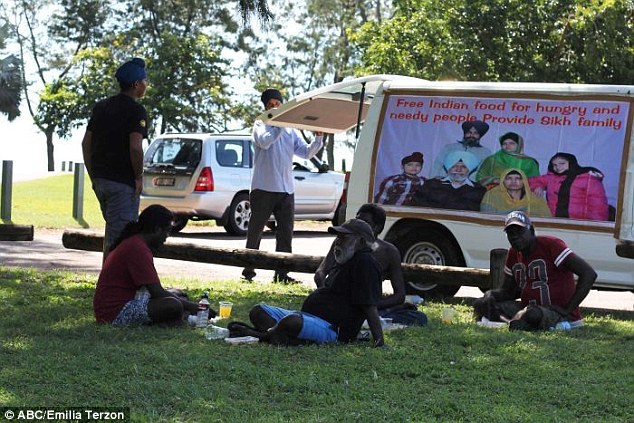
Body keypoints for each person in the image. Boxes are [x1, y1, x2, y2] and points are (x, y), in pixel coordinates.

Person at [229, 219, 385, 346]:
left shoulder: (365, 263)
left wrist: (379, 341)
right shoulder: (347, 259)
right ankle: (280, 336)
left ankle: (262, 336)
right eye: (338, 237)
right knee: (259, 311)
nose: (337, 242)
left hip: (332, 329)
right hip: (309, 317)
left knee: (291, 322)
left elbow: (369, 306)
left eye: (343, 238)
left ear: (360, 242)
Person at [242, 88, 324, 283]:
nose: (275, 107)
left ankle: (282, 274)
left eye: (278, 104)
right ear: (266, 106)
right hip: (263, 187)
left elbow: (305, 153)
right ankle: (248, 272)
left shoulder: (291, 130)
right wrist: (278, 124)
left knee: (285, 233)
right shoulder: (261, 124)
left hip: (286, 189)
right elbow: (264, 142)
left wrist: (318, 138)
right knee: (256, 231)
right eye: (271, 104)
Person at [473, 211, 597, 331]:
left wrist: (568, 309)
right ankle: (515, 323)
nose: (515, 236)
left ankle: (517, 323)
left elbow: (589, 274)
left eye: (519, 231)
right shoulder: (513, 253)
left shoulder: (551, 245)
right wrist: (490, 295)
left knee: (532, 314)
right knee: (480, 304)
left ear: (531, 231)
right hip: (527, 309)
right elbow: (509, 292)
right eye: (510, 233)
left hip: (556, 313)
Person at [93, 205, 214, 326]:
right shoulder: (137, 248)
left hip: (126, 301)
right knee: (174, 305)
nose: (166, 237)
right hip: (115, 313)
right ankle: (174, 320)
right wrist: (196, 308)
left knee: (178, 294)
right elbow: (157, 292)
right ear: (157, 229)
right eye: (166, 231)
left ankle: (174, 318)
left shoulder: (136, 243)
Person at [82, 57, 149, 261]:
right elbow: (136, 148)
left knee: (113, 233)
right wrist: (138, 177)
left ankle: (112, 284)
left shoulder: (101, 107)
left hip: (101, 181)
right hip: (122, 184)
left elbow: (86, 143)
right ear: (136, 84)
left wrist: (94, 175)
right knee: (121, 240)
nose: (146, 85)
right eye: (145, 81)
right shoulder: (137, 111)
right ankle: (112, 287)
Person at [315, 204, 427, 326]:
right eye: (358, 220)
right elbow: (321, 272)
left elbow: (399, 295)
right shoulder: (343, 242)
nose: (360, 224)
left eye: (365, 222)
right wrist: (324, 295)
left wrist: (370, 304)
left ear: (377, 228)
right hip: (341, 302)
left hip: (367, 305)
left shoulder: (388, 252)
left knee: (417, 316)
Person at [529, 152, 609, 221]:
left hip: (580, 223)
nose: (558, 167)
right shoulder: (551, 177)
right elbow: (531, 181)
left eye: (562, 163)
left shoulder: (588, 178)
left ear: (571, 163)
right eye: (554, 165)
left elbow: (598, 205)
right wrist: (538, 186)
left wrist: (596, 226)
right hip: (555, 221)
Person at [412, 150, 486, 211]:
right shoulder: (431, 184)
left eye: (463, 167)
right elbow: (416, 206)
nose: (458, 170)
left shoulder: (479, 190)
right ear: (448, 167)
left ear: (470, 169)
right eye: (454, 166)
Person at [475, 131, 540, 190]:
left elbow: (535, 181)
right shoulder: (492, 159)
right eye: (504, 144)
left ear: (519, 145)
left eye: (512, 143)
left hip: (519, 195)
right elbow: (479, 178)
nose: (507, 146)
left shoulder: (529, 162)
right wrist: (494, 180)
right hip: (493, 193)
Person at [480, 168, 551, 217]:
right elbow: (486, 217)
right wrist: (520, 211)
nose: (513, 182)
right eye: (509, 178)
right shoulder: (492, 195)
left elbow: (546, 218)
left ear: (524, 182)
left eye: (518, 178)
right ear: (503, 181)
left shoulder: (534, 197)